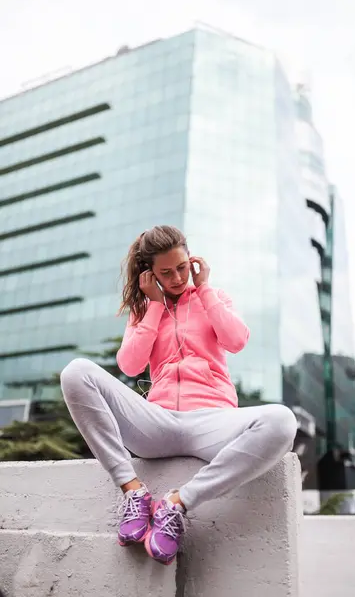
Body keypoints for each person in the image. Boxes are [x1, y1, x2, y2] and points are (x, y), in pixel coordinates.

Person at [61, 225, 297, 565]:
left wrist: (204, 291)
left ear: (193, 261)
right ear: (150, 274)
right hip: (157, 423)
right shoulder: (144, 311)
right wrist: (154, 308)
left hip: (213, 420)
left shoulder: (213, 298)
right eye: (166, 272)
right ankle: (133, 491)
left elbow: (236, 340)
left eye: (182, 267)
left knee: (281, 420)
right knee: (76, 373)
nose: (176, 277)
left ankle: (176, 504)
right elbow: (129, 365)